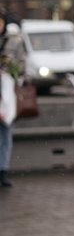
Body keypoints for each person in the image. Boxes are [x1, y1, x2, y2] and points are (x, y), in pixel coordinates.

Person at [0, 10, 23, 189]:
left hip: (7, 94)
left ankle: (4, 170)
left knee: (6, 132)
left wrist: (12, 72)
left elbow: (22, 65)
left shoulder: (14, 41)